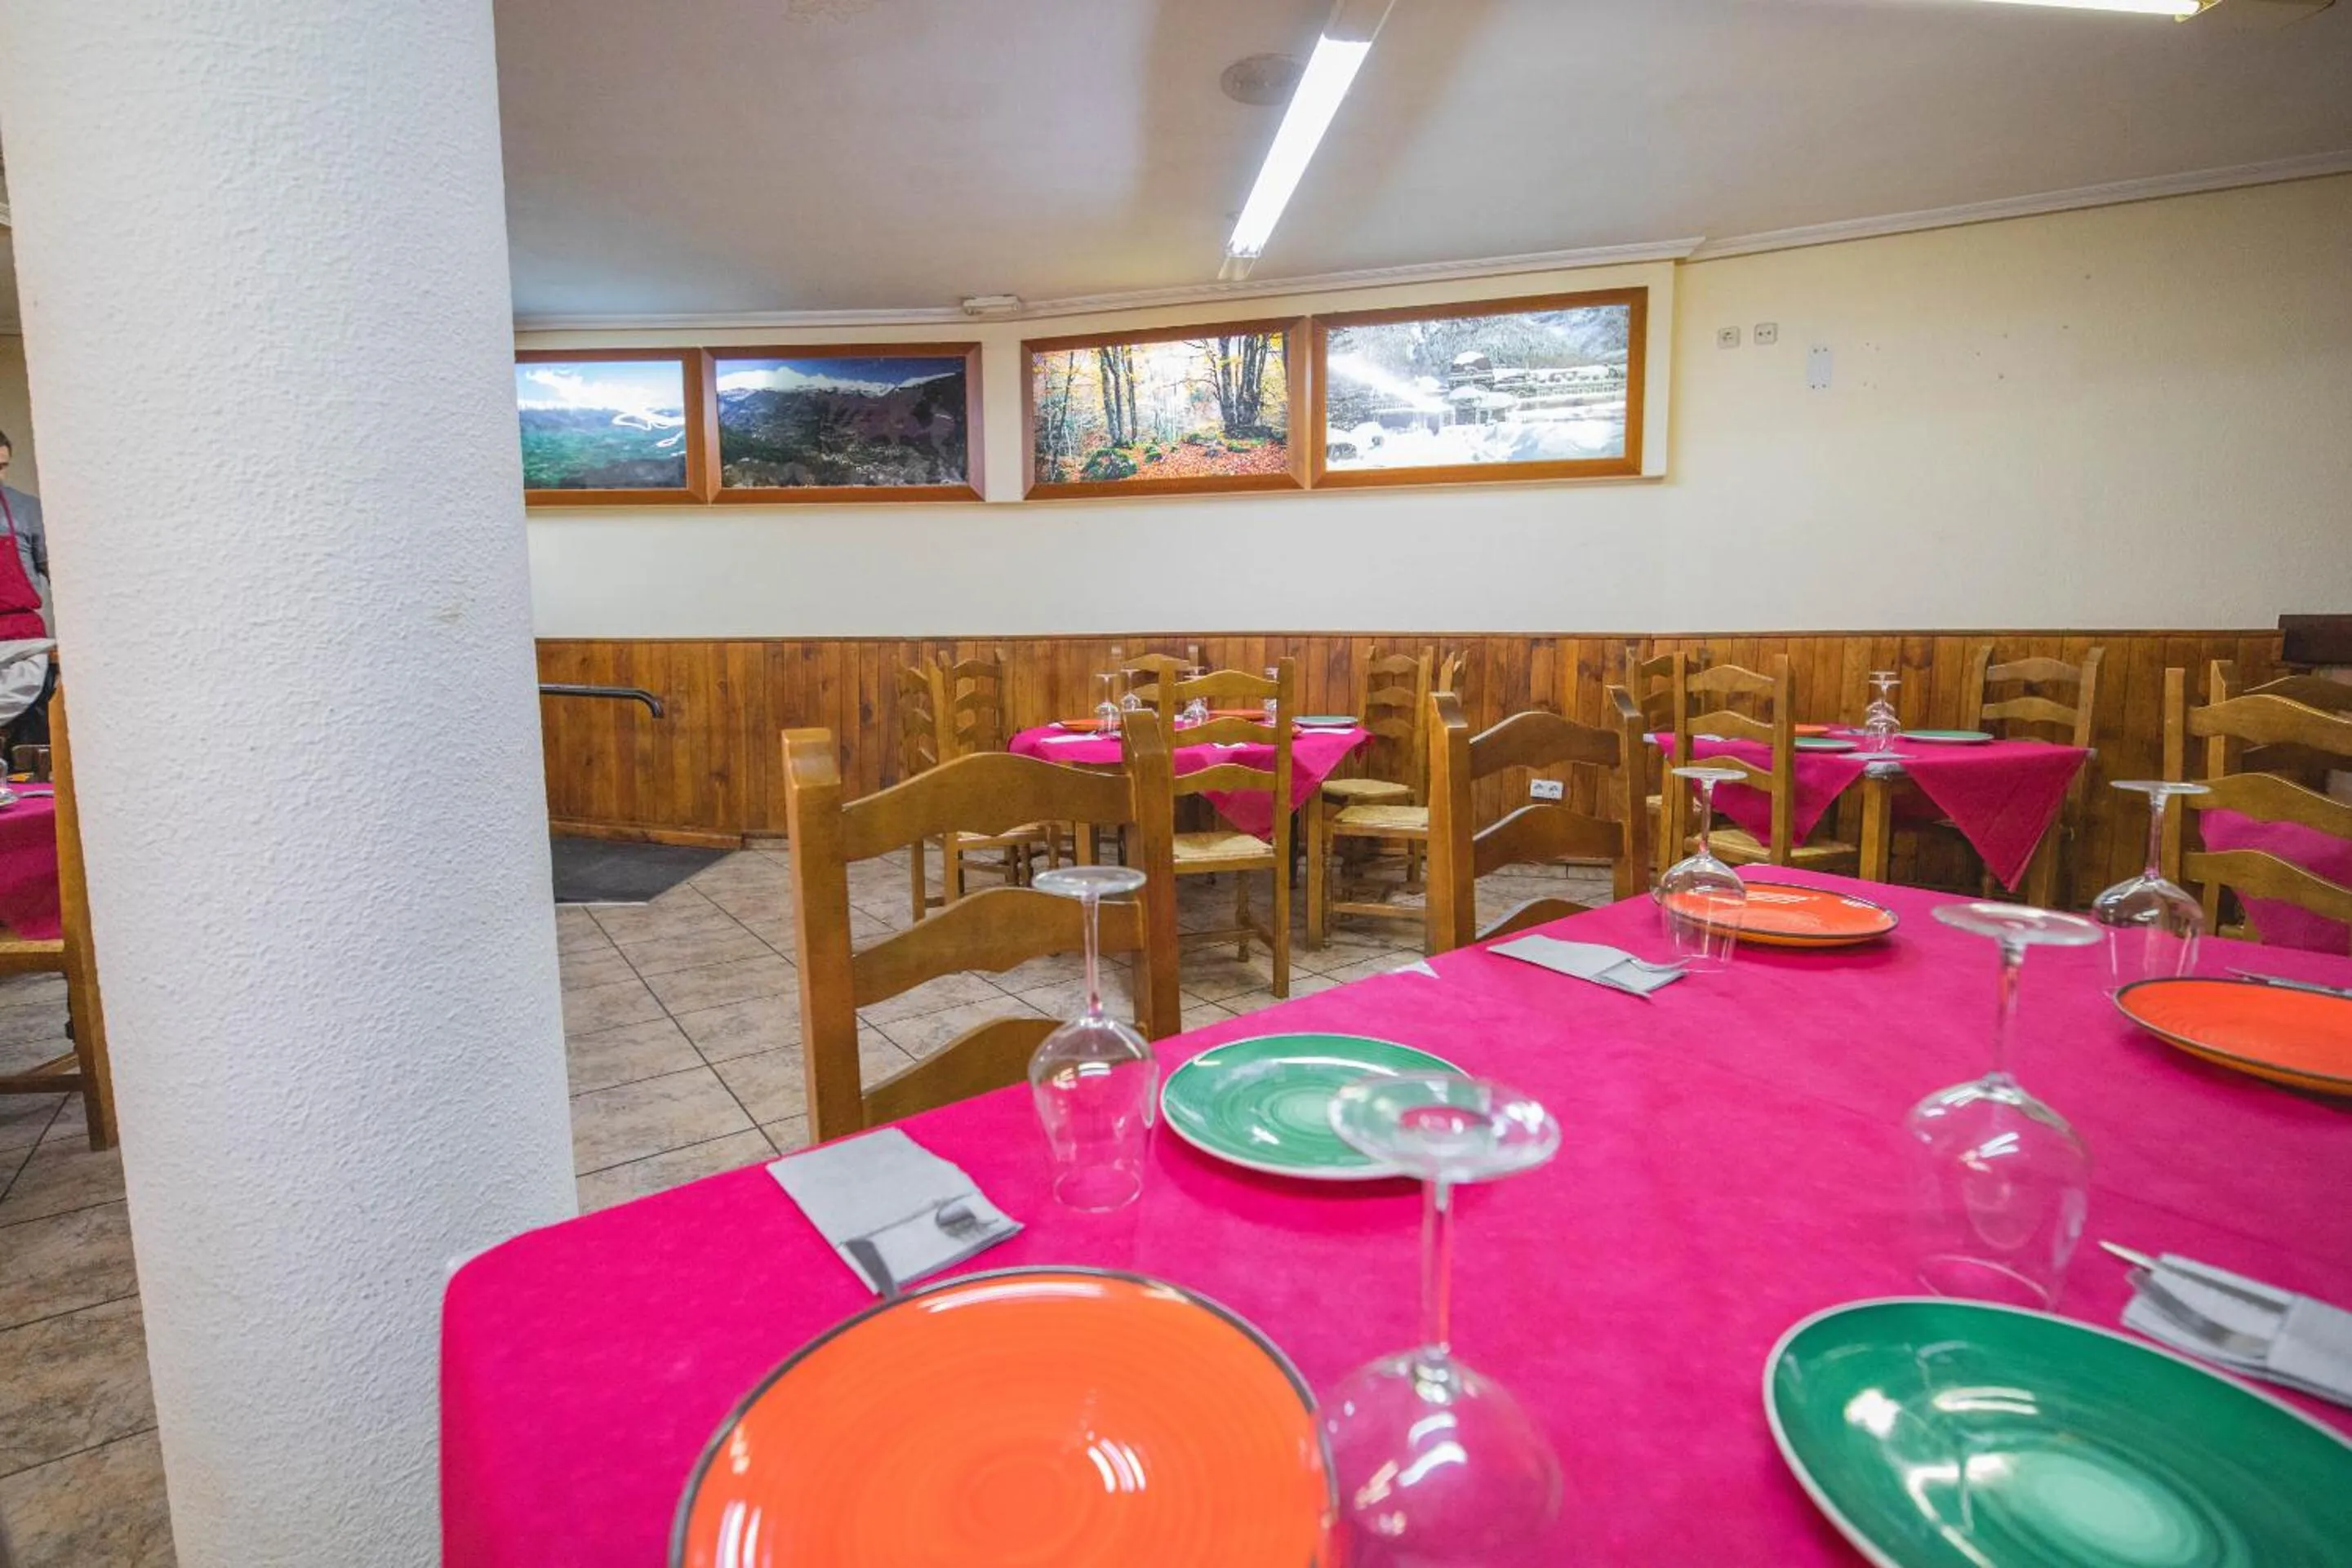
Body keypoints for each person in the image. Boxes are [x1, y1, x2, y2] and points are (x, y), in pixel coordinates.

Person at [0, 430, 55, 740]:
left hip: (25, 646)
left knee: (30, 741)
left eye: (2, 466)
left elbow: (61, 579)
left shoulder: (26, 510)